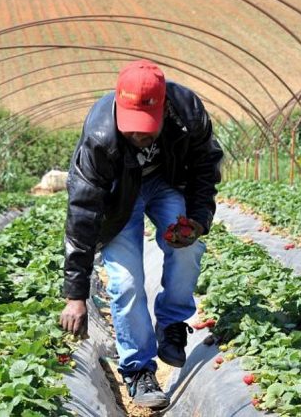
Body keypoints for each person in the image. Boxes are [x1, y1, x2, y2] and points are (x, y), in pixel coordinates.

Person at [59, 60, 223, 408]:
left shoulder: (189, 113)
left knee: (187, 249)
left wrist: (196, 219)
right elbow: (83, 213)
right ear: (119, 104)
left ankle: (172, 324)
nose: (139, 134)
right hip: (120, 196)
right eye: (132, 126)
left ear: (164, 106)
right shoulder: (100, 137)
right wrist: (75, 295)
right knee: (126, 281)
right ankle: (138, 370)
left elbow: (206, 167)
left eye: (147, 126)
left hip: (165, 184)